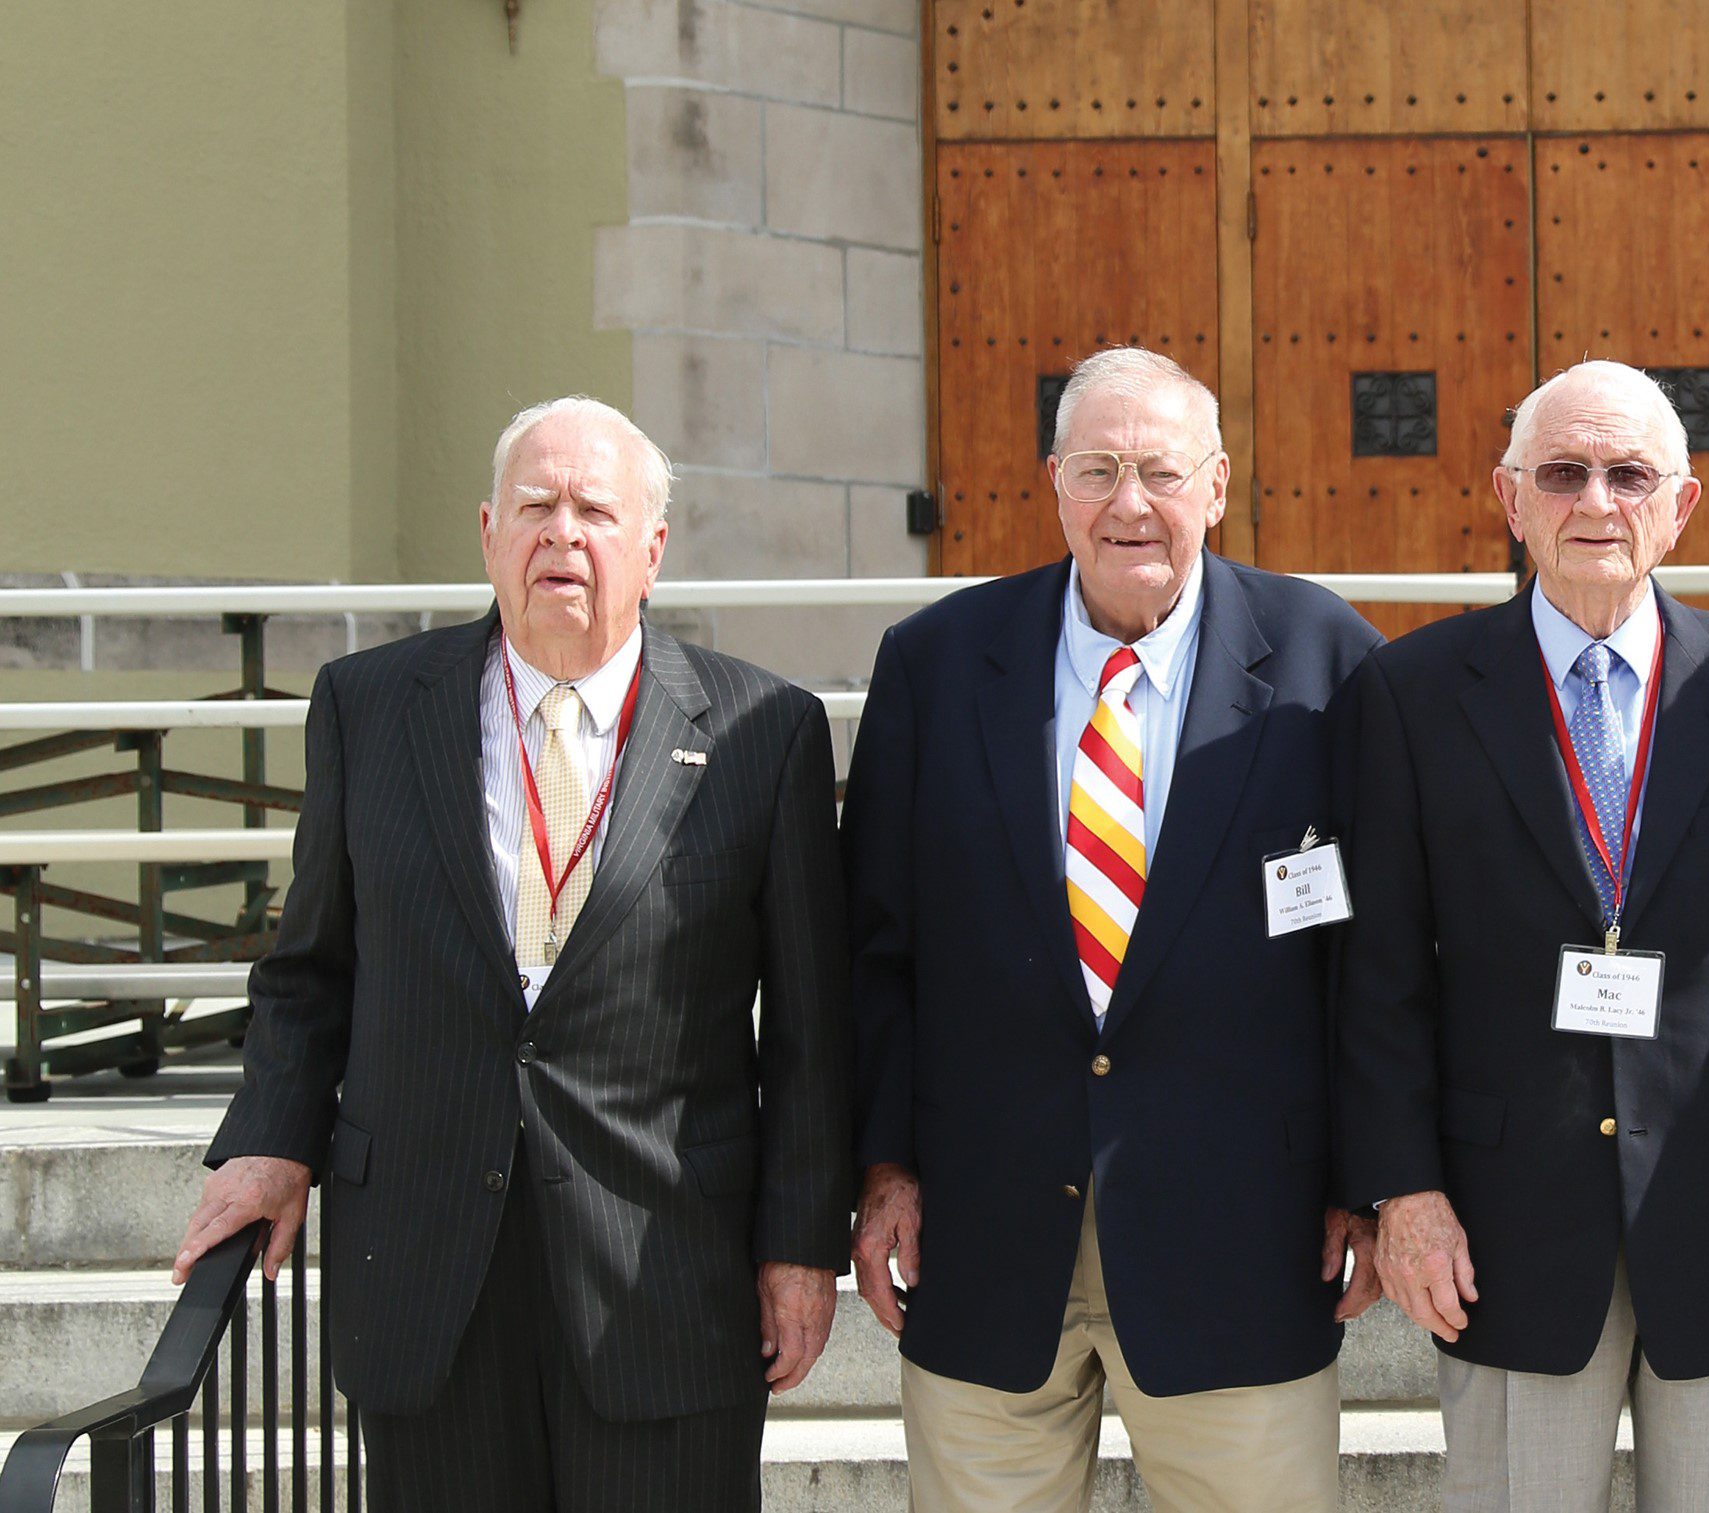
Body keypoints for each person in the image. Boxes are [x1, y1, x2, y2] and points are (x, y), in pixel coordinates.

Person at [177, 396, 851, 1510]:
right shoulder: (370, 706)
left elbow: (811, 1030)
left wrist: (798, 1246)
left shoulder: (758, 731)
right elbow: (311, 966)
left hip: (662, 1276)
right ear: (489, 532)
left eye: (595, 509)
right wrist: (268, 1142)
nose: (563, 534)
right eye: (535, 507)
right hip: (428, 1268)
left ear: (652, 548)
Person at [1337, 359, 1709, 1512]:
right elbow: (1378, 976)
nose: (1595, 501)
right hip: (1498, 1224)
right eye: (1563, 472)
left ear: (1678, 506)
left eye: (1628, 473)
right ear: (1509, 497)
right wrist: (1402, 1192)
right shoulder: (1411, 692)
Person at [846, 346, 1384, 1511]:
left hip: (1243, 1237)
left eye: (1158, 470)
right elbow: (877, 948)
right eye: (1097, 468)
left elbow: (1369, 960)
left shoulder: (1323, 659)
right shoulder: (935, 664)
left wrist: (1368, 1177)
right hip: (983, 1235)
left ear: (1219, 485)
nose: (1128, 503)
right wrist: (883, 1165)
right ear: (1052, 481)